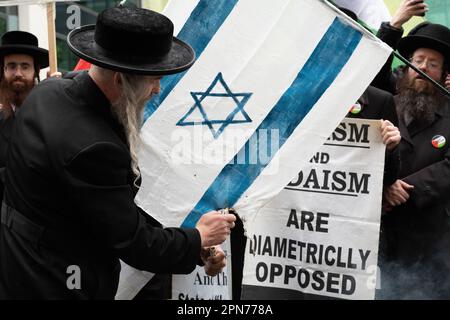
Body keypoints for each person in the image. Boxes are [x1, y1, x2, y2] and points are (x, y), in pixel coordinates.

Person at [0, 6, 236, 299]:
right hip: (54, 282)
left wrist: (192, 244)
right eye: (153, 79)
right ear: (120, 80)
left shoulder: (50, 90)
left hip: (18, 268)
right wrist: (198, 237)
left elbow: (103, 207)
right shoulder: (94, 148)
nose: (158, 90)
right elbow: (132, 241)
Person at [372, 1, 450, 299]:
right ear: (406, 66)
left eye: (433, 63)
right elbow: (369, 64)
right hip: (378, 235)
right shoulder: (384, 98)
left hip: (428, 243)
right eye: (419, 60)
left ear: (443, 74)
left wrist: (403, 189)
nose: (424, 68)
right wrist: (394, 25)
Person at [0, 31, 51, 204]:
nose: (18, 73)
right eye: (12, 66)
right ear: (3, 70)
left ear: (35, 71)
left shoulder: (50, 109)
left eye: (25, 66)